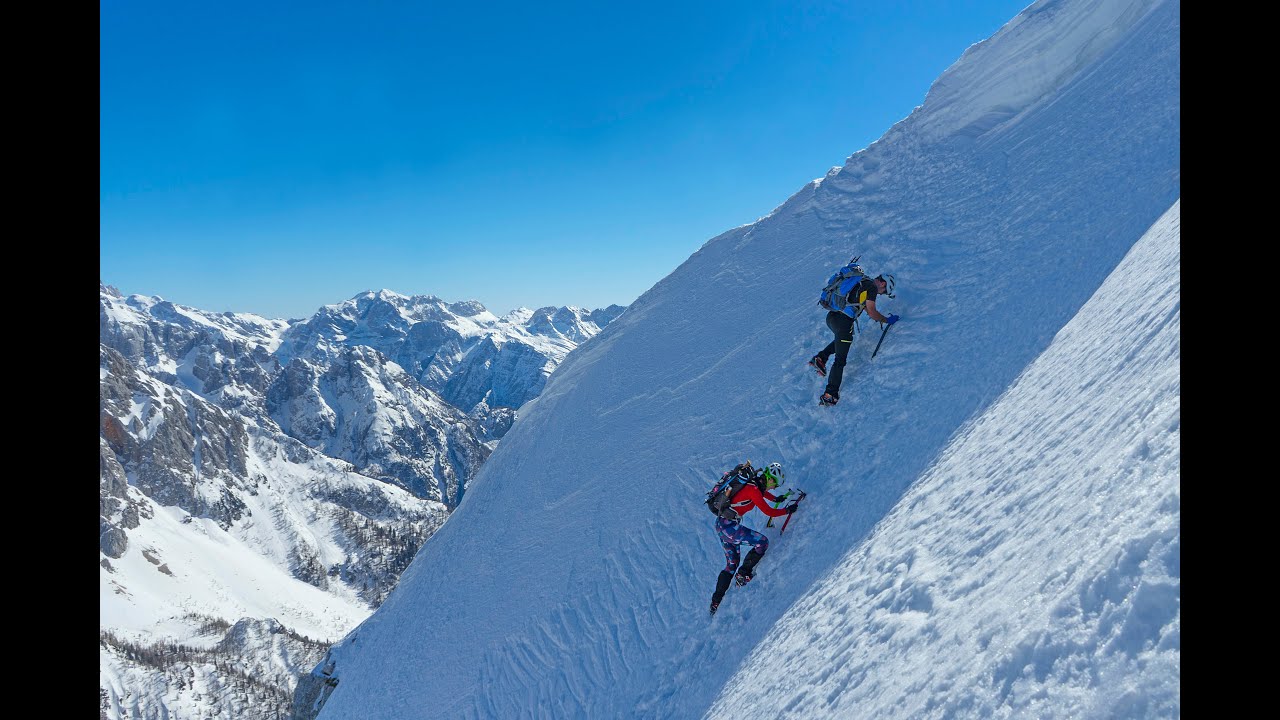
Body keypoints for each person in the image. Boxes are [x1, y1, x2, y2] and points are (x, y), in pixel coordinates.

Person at [709, 461, 798, 616]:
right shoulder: (754, 489)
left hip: (722, 526)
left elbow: (763, 495)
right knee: (762, 542)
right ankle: (743, 574)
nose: (774, 488)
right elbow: (768, 511)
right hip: (730, 528)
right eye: (775, 484)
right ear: (770, 479)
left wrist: (777, 499)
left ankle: (715, 603)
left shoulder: (753, 483)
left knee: (731, 564)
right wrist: (787, 510)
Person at [808, 270, 899, 406]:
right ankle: (830, 394)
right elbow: (872, 312)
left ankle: (821, 358)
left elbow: (867, 309)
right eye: (884, 291)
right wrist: (886, 320)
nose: (881, 294)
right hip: (843, 321)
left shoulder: (863, 281)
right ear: (883, 283)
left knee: (845, 339)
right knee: (840, 360)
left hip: (832, 317)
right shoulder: (872, 287)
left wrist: (877, 316)